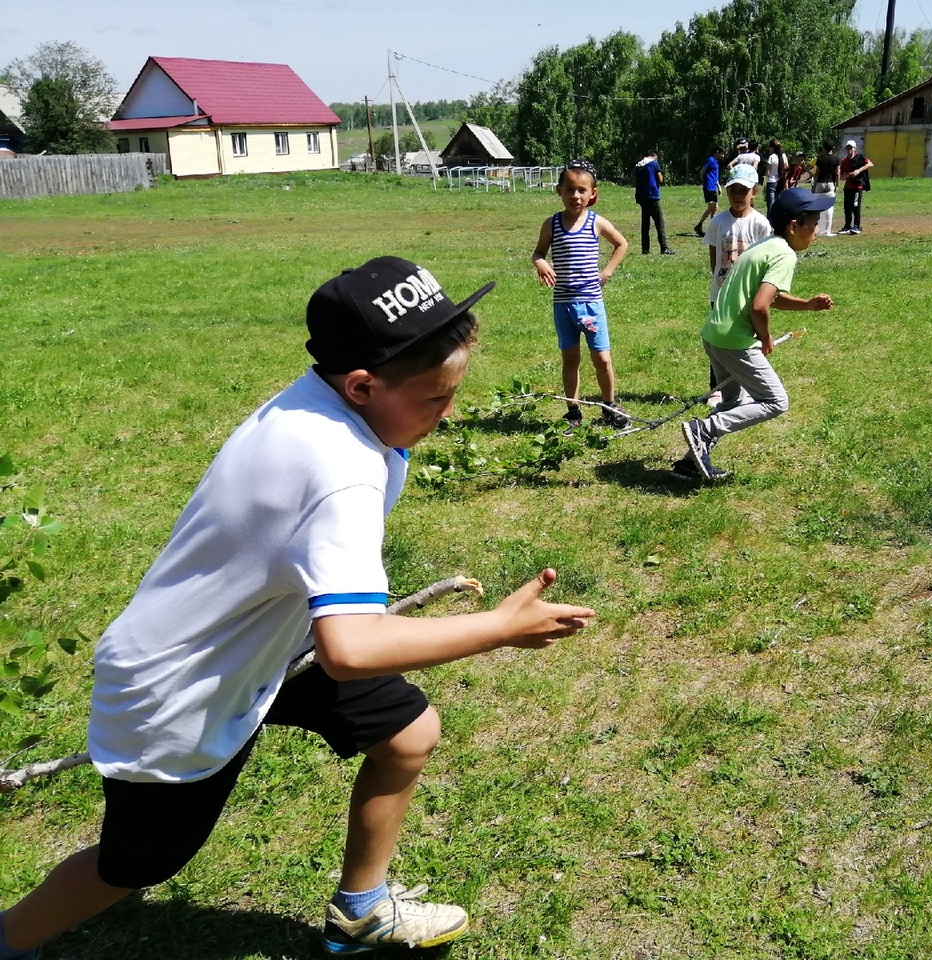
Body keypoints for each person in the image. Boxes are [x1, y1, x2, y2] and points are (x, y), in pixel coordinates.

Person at [0, 256, 597, 959]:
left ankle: (361, 914)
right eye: (436, 398)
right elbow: (351, 649)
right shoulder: (338, 469)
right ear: (362, 385)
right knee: (133, 864)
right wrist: (498, 626)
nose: (449, 413)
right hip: (184, 686)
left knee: (407, 733)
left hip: (273, 643)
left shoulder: (323, 404)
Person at [676, 188, 835, 480]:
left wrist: (807, 305)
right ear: (794, 226)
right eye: (814, 224)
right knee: (776, 401)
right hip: (734, 341)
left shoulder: (764, 246)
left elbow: (768, 297)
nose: (817, 231)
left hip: (714, 334)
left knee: (731, 404)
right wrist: (765, 339)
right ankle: (704, 430)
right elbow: (760, 306)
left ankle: (690, 462)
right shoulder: (784, 255)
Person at [533, 158, 630, 427]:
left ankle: (609, 406)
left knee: (602, 358)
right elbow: (538, 252)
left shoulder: (596, 222)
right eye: (569, 189)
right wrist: (540, 263)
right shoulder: (551, 224)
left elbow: (621, 244)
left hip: (591, 303)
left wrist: (607, 272)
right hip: (563, 304)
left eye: (581, 190)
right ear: (559, 191)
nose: (575, 196)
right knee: (570, 359)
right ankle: (573, 411)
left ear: (592, 194)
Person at [680, 164, 772, 433]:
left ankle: (747, 387)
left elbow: (764, 260)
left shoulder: (760, 223)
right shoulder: (718, 222)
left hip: (747, 296)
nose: (738, 195)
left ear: (754, 192)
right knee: (718, 341)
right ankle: (717, 389)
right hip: (720, 294)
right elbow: (714, 259)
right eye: (733, 190)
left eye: (744, 190)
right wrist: (720, 284)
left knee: (745, 341)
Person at [634, 147, 674, 256]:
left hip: (642, 197)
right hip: (652, 195)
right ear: (653, 156)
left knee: (645, 224)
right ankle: (664, 247)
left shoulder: (639, 165)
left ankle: (645, 249)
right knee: (659, 222)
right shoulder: (654, 163)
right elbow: (660, 179)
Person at [838, 140, 873, 235]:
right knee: (847, 207)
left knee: (855, 205)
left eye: (851, 148)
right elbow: (841, 176)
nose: (849, 150)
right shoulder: (844, 161)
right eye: (847, 148)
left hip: (857, 186)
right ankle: (847, 225)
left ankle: (857, 226)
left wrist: (859, 170)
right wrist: (847, 175)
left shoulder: (860, 158)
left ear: (854, 148)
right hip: (848, 186)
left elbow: (870, 164)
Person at [693, 145, 724, 238]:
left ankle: (711, 228)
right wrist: (705, 181)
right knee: (712, 207)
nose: (723, 156)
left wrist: (718, 186)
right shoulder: (711, 160)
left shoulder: (716, 162)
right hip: (709, 187)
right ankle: (700, 226)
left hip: (713, 187)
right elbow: (702, 171)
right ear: (717, 152)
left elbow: (715, 176)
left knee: (714, 208)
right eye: (722, 154)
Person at [811, 141, 839, 237]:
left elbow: (817, 173)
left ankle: (817, 228)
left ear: (824, 148)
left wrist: (814, 185)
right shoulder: (836, 159)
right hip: (830, 183)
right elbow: (837, 172)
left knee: (817, 206)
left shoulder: (820, 158)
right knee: (829, 207)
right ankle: (827, 230)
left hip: (820, 183)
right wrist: (837, 184)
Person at [762, 138, 788, 213]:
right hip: (780, 180)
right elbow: (786, 167)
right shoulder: (783, 156)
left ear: (772, 148)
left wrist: (764, 181)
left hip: (771, 181)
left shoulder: (771, 157)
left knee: (770, 204)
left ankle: (770, 218)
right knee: (778, 202)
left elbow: (767, 172)